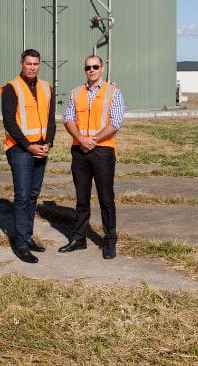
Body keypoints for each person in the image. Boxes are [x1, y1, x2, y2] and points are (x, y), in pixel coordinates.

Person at [60, 55, 125, 259]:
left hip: (102, 151)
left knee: (106, 198)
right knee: (81, 198)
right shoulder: (76, 92)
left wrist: (93, 139)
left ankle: (109, 240)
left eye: (95, 66)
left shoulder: (113, 92)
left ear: (102, 68)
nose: (91, 70)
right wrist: (81, 138)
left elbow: (115, 122)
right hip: (80, 151)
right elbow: (68, 118)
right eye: (88, 67)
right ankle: (79, 238)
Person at [0, 49, 56, 263]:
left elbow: (51, 119)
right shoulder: (11, 88)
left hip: (41, 148)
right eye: (28, 63)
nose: (32, 67)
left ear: (40, 64)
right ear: (20, 64)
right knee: (22, 196)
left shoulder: (46, 87)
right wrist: (29, 146)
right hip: (21, 150)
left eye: (35, 63)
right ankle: (20, 244)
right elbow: (10, 123)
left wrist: (48, 142)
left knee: (33, 195)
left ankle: (28, 236)